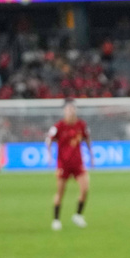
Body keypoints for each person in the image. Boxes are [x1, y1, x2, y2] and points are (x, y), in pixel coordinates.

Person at [47, 99, 93, 231]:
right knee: (60, 192)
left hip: (78, 163)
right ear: (64, 111)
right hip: (63, 164)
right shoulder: (59, 126)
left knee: (85, 190)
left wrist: (91, 155)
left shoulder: (81, 125)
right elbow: (49, 140)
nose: (71, 111)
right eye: (68, 109)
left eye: (73, 109)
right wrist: (49, 155)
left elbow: (87, 139)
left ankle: (78, 216)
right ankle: (56, 220)